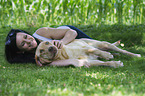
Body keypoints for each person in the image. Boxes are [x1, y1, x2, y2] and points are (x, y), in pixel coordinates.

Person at [5, 25, 92, 64]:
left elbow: (72, 33)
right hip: (70, 50)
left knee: (98, 47)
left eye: (26, 36)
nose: (28, 41)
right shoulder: (34, 57)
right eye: (23, 43)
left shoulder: (41, 33)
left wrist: (62, 42)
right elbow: (53, 63)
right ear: (20, 52)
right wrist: (73, 62)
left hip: (69, 36)